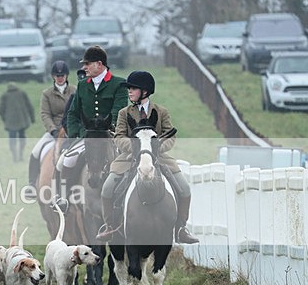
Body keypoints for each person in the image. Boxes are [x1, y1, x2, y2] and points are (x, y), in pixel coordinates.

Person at [96, 70, 199, 244]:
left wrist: (156, 148)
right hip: (129, 158)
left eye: (133, 88)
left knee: (184, 188)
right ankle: (109, 227)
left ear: (145, 91)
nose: (129, 91)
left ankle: (181, 228)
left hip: (158, 157)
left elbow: (170, 135)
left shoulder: (161, 111)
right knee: (107, 189)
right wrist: (137, 148)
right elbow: (119, 137)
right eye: (128, 88)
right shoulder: (124, 113)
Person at [54, 46, 128, 212]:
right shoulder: (82, 86)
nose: (84, 67)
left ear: (99, 64)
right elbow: (73, 113)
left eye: (87, 64)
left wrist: (108, 128)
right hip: (86, 136)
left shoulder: (119, 84)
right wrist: (76, 134)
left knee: (131, 162)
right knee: (64, 161)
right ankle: (63, 199)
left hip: (110, 135)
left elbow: (119, 111)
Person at [27, 60, 75, 191]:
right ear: (53, 76)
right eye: (57, 76)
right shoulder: (47, 94)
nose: (60, 78)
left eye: (62, 76)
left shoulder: (74, 91)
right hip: (54, 130)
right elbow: (45, 114)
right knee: (35, 151)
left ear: (66, 76)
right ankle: (31, 184)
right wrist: (53, 130)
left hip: (71, 131)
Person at [0, 82, 35, 162]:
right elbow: (29, 106)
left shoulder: (5, 96)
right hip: (22, 121)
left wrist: (4, 119)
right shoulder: (22, 93)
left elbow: (0, 109)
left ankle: (15, 157)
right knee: (22, 138)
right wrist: (32, 118)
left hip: (10, 122)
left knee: (12, 139)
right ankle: (21, 155)